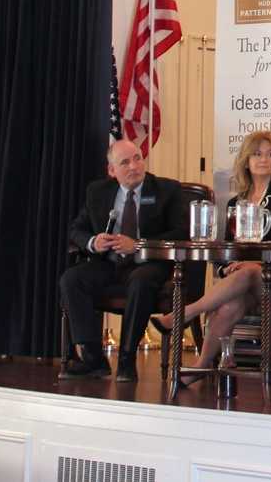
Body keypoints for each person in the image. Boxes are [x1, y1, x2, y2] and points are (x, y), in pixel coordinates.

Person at [150, 131, 271, 383]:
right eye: (257, 154)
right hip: (244, 280)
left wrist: (256, 263)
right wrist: (227, 269)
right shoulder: (236, 202)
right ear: (246, 160)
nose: (264, 160)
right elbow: (226, 250)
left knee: (248, 271)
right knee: (229, 305)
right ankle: (201, 366)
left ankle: (186, 312)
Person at [59, 139, 187, 383]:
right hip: (109, 263)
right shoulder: (98, 192)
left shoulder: (167, 190)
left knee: (140, 281)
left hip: (148, 263)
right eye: (125, 162)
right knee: (72, 279)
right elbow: (76, 229)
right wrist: (93, 241)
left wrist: (138, 245)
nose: (133, 166)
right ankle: (93, 359)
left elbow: (181, 232)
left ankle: (127, 359)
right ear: (112, 170)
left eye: (137, 158)